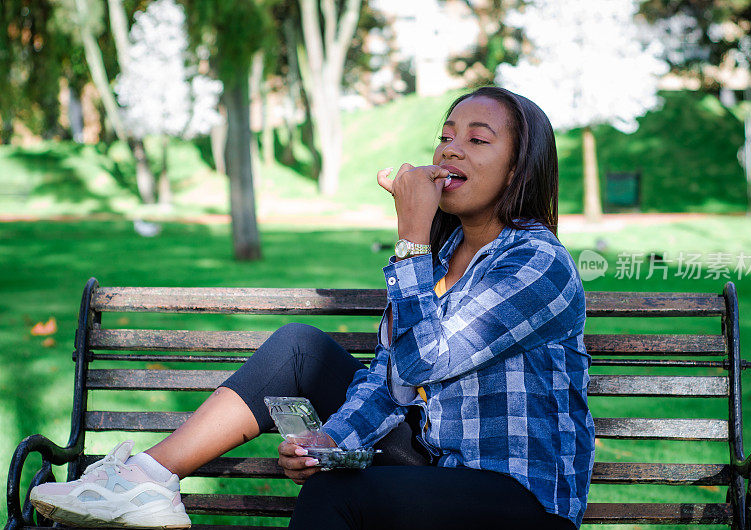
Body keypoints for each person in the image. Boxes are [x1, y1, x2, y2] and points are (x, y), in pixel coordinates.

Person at [30, 86, 594, 530]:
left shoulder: (536, 262)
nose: (449, 149)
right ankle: (146, 479)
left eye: (477, 139)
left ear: (519, 169)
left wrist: (410, 239)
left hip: (518, 498)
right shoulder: (442, 254)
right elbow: (391, 379)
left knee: (338, 496)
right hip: (437, 466)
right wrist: (333, 440)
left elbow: (426, 361)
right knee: (300, 348)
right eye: (446, 135)